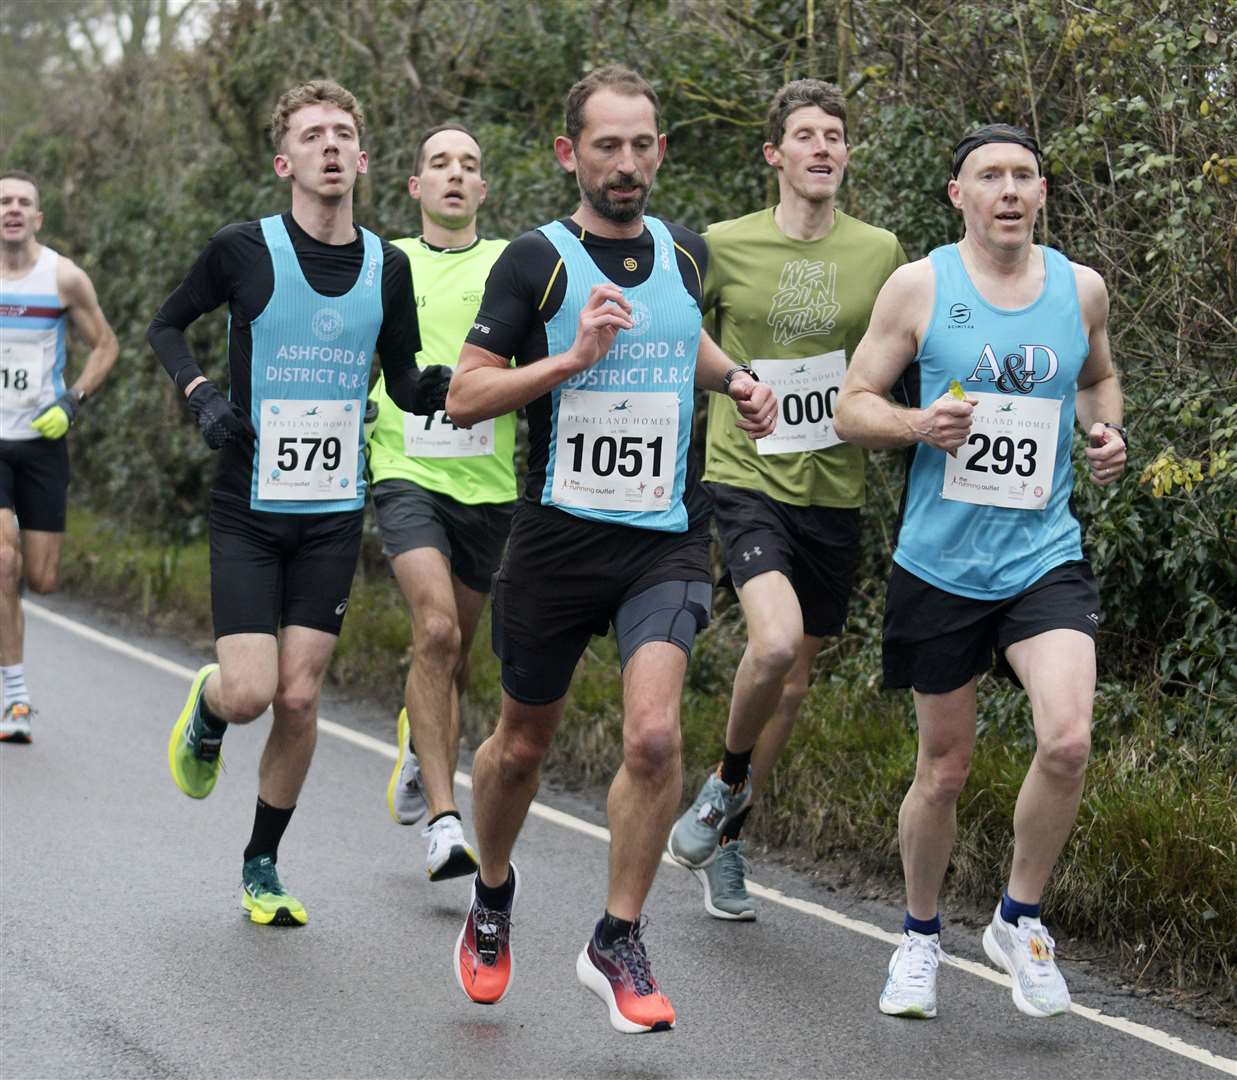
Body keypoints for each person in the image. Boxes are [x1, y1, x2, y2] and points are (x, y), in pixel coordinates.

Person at [444, 66, 776, 1032]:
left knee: (656, 736)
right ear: (568, 154)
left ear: (660, 149)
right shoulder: (532, 262)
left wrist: (738, 380)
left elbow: (681, 347)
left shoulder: (683, 252)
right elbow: (467, 393)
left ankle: (616, 936)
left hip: (663, 539)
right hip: (553, 541)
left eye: (641, 145)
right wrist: (568, 362)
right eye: (606, 147)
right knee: (518, 748)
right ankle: (494, 897)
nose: (625, 164)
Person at [833, 123, 1127, 1019]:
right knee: (944, 770)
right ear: (956, 196)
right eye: (987, 177)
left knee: (1067, 738)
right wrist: (918, 425)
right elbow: (851, 408)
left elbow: (1096, 379)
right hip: (939, 564)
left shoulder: (1080, 287)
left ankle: (1018, 918)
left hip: (1043, 556)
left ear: (1041, 194)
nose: (1007, 190)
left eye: (1022, 176)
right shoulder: (920, 285)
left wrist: (1104, 432)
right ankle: (918, 938)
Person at [147, 80, 446, 926]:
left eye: (341, 133)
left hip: (329, 513)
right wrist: (202, 393)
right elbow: (166, 326)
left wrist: (445, 387)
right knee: (250, 691)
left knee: (301, 695)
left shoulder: (387, 265)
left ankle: (262, 866)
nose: (328, 145)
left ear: (360, 159)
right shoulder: (243, 249)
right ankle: (209, 710)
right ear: (287, 161)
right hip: (246, 507)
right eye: (312, 134)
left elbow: (402, 370)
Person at [666, 80, 905, 920]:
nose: (821, 148)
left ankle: (726, 840)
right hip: (745, 473)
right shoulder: (721, 245)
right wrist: (731, 380)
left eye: (834, 135)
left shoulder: (880, 252)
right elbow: (674, 326)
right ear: (773, 153)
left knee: (795, 683)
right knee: (770, 646)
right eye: (804, 135)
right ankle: (724, 783)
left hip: (832, 484)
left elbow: (899, 350)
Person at [368, 124, 514, 881]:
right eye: (438, 163)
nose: (454, 175)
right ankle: (443, 820)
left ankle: (414, 735)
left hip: (489, 485)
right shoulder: (384, 261)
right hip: (405, 468)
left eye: (468, 165)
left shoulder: (511, 264)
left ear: (483, 189)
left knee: (452, 653)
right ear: (415, 185)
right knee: (433, 631)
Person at [1, 170, 118, 742]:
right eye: (4, 201)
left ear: (39, 217)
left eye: (24, 202)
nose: (13, 209)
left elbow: (106, 344)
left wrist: (73, 402)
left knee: (40, 579)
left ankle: (5, 609)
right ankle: (16, 699)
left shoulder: (63, 277)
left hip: (44, 442)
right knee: (3, 562)